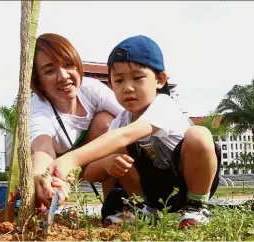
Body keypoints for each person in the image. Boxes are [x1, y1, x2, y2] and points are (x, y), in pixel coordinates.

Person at [44, 35, 221, 229]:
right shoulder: (121, 122)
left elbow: (127, 135)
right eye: (119, 81)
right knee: (114, 149)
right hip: (154, 191)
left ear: (160, 80)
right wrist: (106, 164)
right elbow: (92, 173)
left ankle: (196, 207)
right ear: (110, 86)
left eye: (137, 78)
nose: (128, 88)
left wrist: (70, 159)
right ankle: (143, 209)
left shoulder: (163, 106)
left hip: (186, 183)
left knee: (199, 135)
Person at [30, 33, 124, 209]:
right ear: (39, 82)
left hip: (88, 163)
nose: (63, 76)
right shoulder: (38, 108)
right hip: (58, 171)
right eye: (50, 71)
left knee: (107, 122)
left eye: (68, 65)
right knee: (40, 198)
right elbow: (42, 149)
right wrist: (43, 177)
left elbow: (131, 121)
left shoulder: (91, 89)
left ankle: (113, 207)